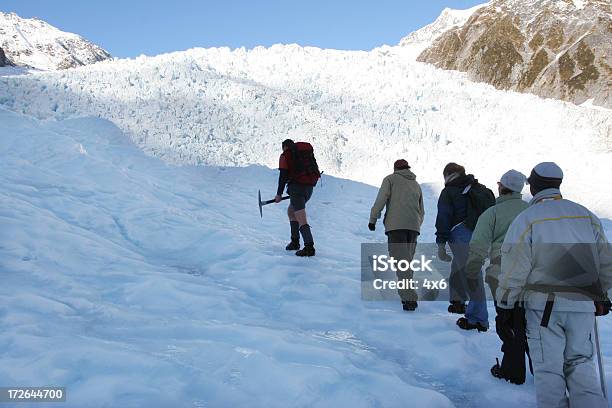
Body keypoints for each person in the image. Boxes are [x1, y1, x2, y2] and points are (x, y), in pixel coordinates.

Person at [497, 162, 612, 407]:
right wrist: (603, 296)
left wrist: (506, 304)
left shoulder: (527, 219)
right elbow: (605, 261)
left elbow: (514, 266)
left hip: (544, 308)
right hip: (583, 304)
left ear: (534, 185)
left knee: (549, 371)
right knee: (581, 363)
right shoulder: (585, 215)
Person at [464, 170, 529, 382]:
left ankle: (512, 372)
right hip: (531, 275)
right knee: (531, 323)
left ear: (501, 186)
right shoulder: (531, 211)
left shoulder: (492, 213)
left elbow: (478, 246)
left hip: (501, 274)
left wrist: (472, 271)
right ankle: (543, 372)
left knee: (507, 321)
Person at [435, 163, 495, 317]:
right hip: (480, 234)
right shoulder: (478, 188)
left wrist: (441, 244)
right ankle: (457, 300)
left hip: (460, 234)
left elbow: (443, 217)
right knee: (459, 265)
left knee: (471, 272)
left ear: (448, 174)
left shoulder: (449, 191)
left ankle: (478, 317)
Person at [369, 159, 425, 311]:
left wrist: (373, 219)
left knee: (401, 263)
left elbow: (381, 199)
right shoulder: (416, 184)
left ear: (395, 169)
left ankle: (409, 299)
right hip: (413, 228)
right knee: (406, 262)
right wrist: (415, 225)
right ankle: (408, 293)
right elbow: (422, 211)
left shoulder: (390, 179)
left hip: (396, 228)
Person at [275, 139, 320, 257]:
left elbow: (283, 176)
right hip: (309, 188)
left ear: (284, 147)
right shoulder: (303, 154)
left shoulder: (285, 156)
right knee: (291, 211)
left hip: (297, 189)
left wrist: (279, 194)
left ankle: (309, 247)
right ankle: (295, 241)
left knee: (301, 217)